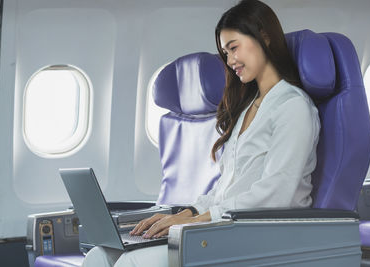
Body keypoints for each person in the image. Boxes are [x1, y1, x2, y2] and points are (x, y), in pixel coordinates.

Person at [82, 0, 320, 266]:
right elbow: (225, 190)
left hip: (257, 237)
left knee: (132, 263)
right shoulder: (249, 108)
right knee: (99, 256)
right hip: (225, 229)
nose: (230, 62)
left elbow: (277, 195)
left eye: (233, 48)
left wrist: (194, 222)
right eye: (225, 54)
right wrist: (185, 213)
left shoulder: (293, 107)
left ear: (264, 36)